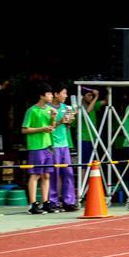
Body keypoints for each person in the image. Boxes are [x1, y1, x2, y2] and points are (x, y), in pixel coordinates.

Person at [21, 82, 57, 214]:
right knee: (35, 174)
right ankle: (33, 204)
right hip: (36, 147)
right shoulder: (32, 110)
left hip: (48, 146)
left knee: (46, 175)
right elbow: (24, 130)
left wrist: (53, 118)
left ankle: (46, 202)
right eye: (49, 94)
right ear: (42, 96)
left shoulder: (49, 110)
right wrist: (42, 129)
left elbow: (51, 127)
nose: (51, 96)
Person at [48, 84, 78, 212]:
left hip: (65, 144)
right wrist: (61, 121)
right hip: (52, 144)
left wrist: (70, 120)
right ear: (56, 94)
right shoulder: (48, 109)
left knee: (68, 173)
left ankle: (69, 201)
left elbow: (67, 126)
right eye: (64, 93)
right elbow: (50, 126)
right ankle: (52, 201)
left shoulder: (66, 107)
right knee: (54, 174)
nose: (66, 96)